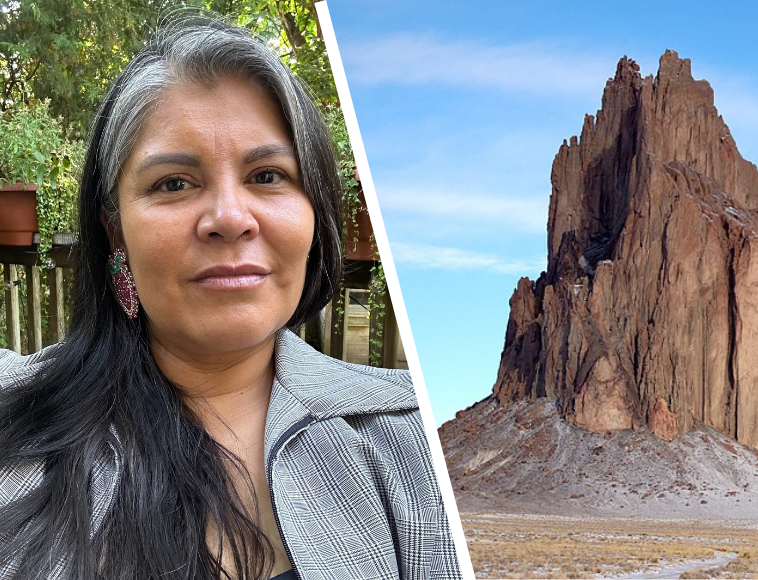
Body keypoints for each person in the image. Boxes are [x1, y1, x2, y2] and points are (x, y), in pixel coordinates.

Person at [0, 16, 462, 580]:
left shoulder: (413, 431)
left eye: (268, 176)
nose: (229, 219)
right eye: (173, 183)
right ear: (115, 230)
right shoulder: (14, 415)